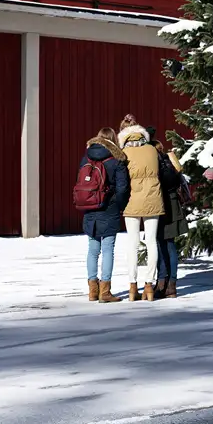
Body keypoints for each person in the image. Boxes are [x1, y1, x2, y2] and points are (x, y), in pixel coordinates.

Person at [118, 119, 177, 300]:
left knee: (132, 244)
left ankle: (132, 286)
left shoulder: (124, 153)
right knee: (151, 242)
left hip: (132, 202)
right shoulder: (152, 150)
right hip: (153, 199)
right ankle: (149, 286)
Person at [78, 127, 129, 302]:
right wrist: (120, 205)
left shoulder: (87, 156)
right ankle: (105, 291)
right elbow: (122, 188)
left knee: (93, 250)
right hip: (110, 207)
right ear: (113, 139)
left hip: (90, 206)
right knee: (108, 249)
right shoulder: (117, 159)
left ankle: (92, 290)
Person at [154, 151, 189, 298]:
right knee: (170, 244)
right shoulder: (170, 161)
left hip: (159, 204)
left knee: (161, 243)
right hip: (173, 203)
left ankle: (162, 282)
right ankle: (171, 284)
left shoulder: (155, 162)